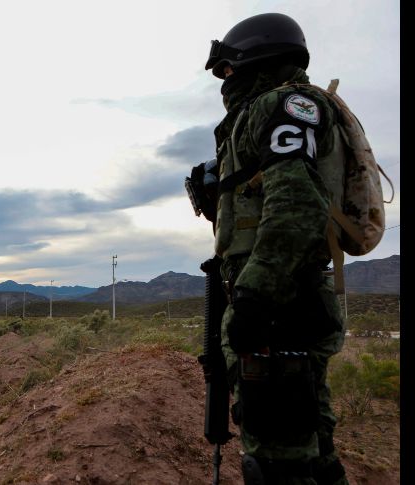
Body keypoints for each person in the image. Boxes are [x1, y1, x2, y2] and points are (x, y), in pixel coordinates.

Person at [200, 12, 350, 485]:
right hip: (283, 302)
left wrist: (254, 296)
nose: (225, 81)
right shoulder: (263, 113)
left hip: (279, 307)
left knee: (276, 462)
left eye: (228, 70)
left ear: (257, 57)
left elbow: (297, 204)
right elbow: (273, 199)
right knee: (312, 453)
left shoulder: (284, 105)